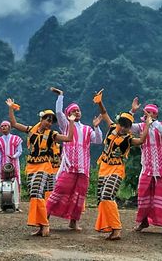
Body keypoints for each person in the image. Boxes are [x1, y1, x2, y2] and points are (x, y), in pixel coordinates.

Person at [6, 98, 74, 237]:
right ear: (41, 119)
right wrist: (11, 108)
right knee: (35, 195)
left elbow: (68, 138)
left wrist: (71, 122)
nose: (49, 122)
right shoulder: (31, 130)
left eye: (51, 121)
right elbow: (13, 124)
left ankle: (45, 225)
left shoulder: (52, 135)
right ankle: (41, 225)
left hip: (44, 166)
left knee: (37, 193)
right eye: (47, 119)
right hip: (32, 166)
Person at [93, 90, 150, 240]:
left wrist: (147, 125)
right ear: (118, 123)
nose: (124, 127)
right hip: (104, 167)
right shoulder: (112, 127)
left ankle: (116, 228)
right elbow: (104, 113)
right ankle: (108, 225)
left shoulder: (129, 139)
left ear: (130, 127)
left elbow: (142, 141)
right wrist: (99, 101)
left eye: (127, 125)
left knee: (107, 196)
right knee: (100, 198)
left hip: (116, 169)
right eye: (122, 124)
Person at [47, 86, 103, 231]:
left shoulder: (87, 129)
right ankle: (44, 217)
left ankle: (73, 222)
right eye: (73, 111)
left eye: (78, 110)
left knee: (79, 196)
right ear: (68, 115)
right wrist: (61, 96)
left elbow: (98, 140)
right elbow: (58, 112)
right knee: (59, 190)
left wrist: (96, 127)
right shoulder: (66, 125)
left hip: (83, 168)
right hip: (69, 166)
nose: (76, 112)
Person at [130, 97, 162, 234]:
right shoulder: (140, 127)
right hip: (148, 168)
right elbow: (126, 126)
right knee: (144, 195)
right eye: (147, 113)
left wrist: (153, 123)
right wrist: (132, 111)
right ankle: (143, 222)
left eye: (151, 113)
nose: (148, 115)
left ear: (156, 115)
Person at [0, 120, 23, 212]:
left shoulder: (16, 138)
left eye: (6, 126)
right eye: (2, 126)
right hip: (3, 163)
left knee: (17, 182)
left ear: (9, 128)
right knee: (2, 182)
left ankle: (17, 205)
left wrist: (13, 156)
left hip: (14, 163)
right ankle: (2, 204)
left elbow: (20, 151)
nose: (4, 127)